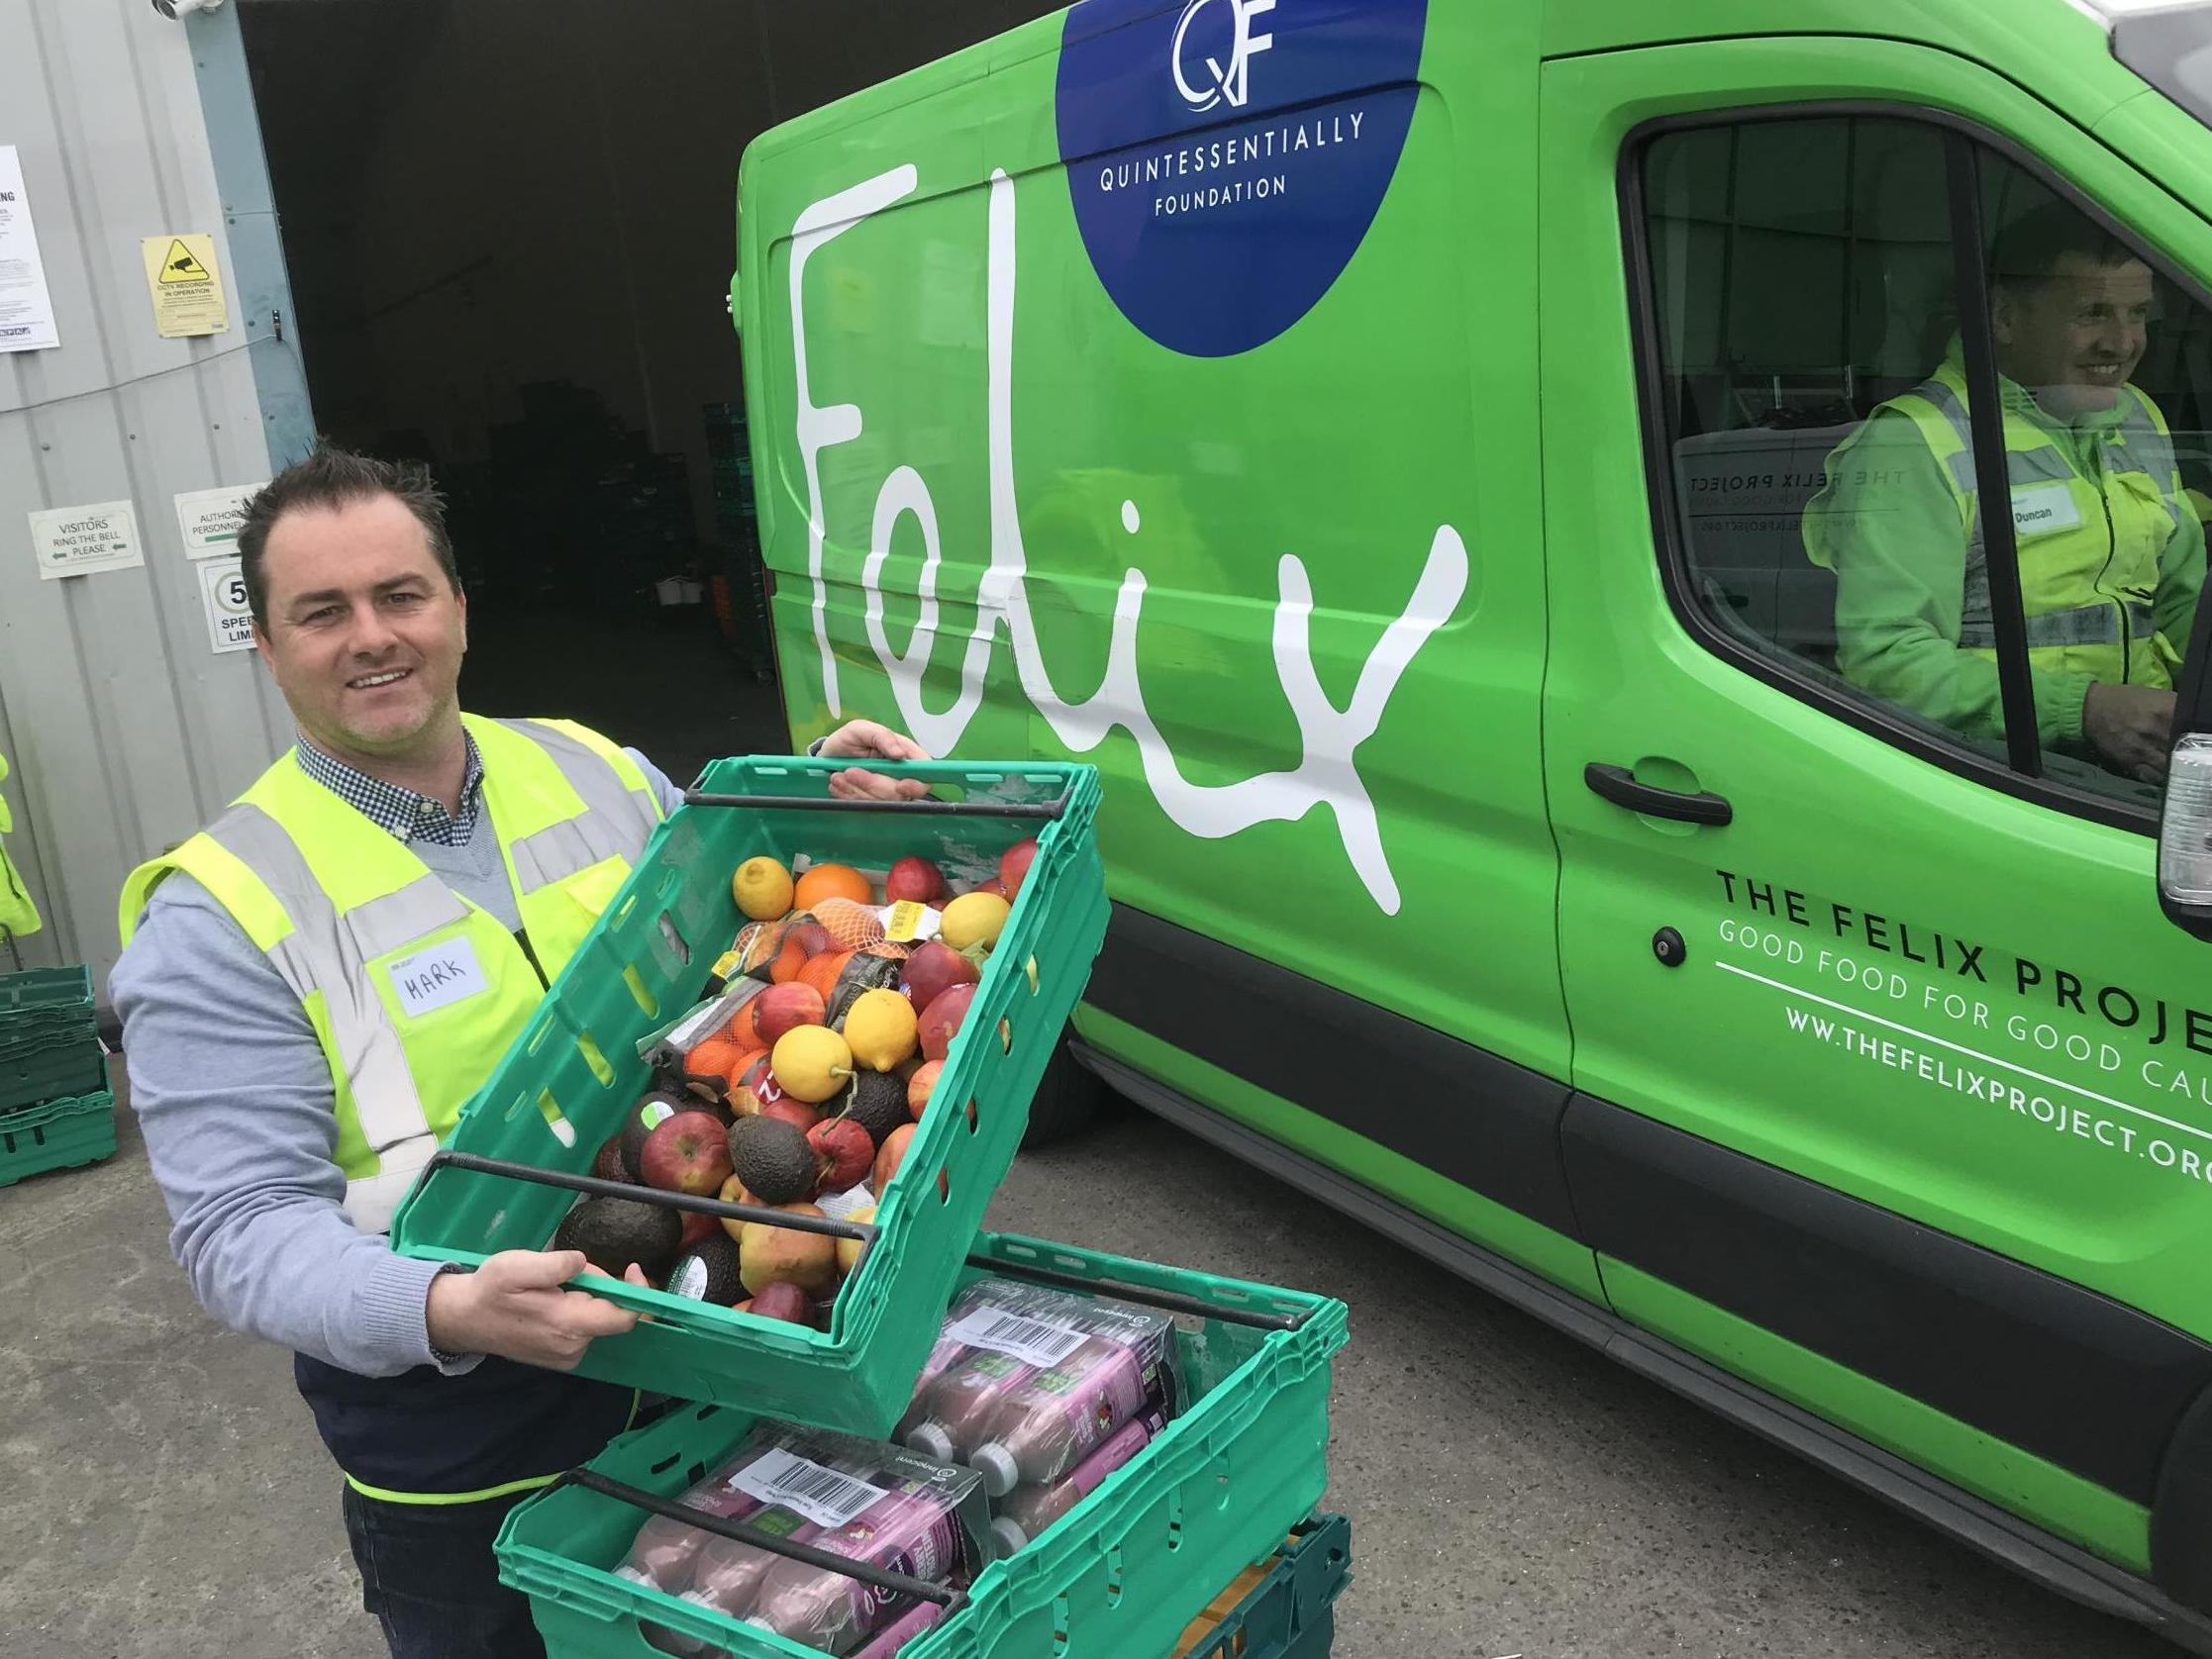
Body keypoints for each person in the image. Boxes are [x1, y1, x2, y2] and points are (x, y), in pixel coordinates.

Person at [109, 445, 930, 1659]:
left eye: (401, 594)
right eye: (321, 612)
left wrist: (808, 805)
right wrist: (442, 1305)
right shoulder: (219, 912)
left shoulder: (596, 771)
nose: (372, 636)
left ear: (456, 607)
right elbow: (239, 1229)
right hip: (471, 1441)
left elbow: (736, 944)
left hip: (715, 1353)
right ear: (268, 647)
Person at [1802, 200, 2205, 782]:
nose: (2122, 343)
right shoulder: (1916, 441)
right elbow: (1885, 662)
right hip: (1994, 777)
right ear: (2004, 318)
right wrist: (2085, 710)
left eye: (2138, 313)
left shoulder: (2137, 416)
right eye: (2092, 313)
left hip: (2140, 773)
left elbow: (2183, 603)